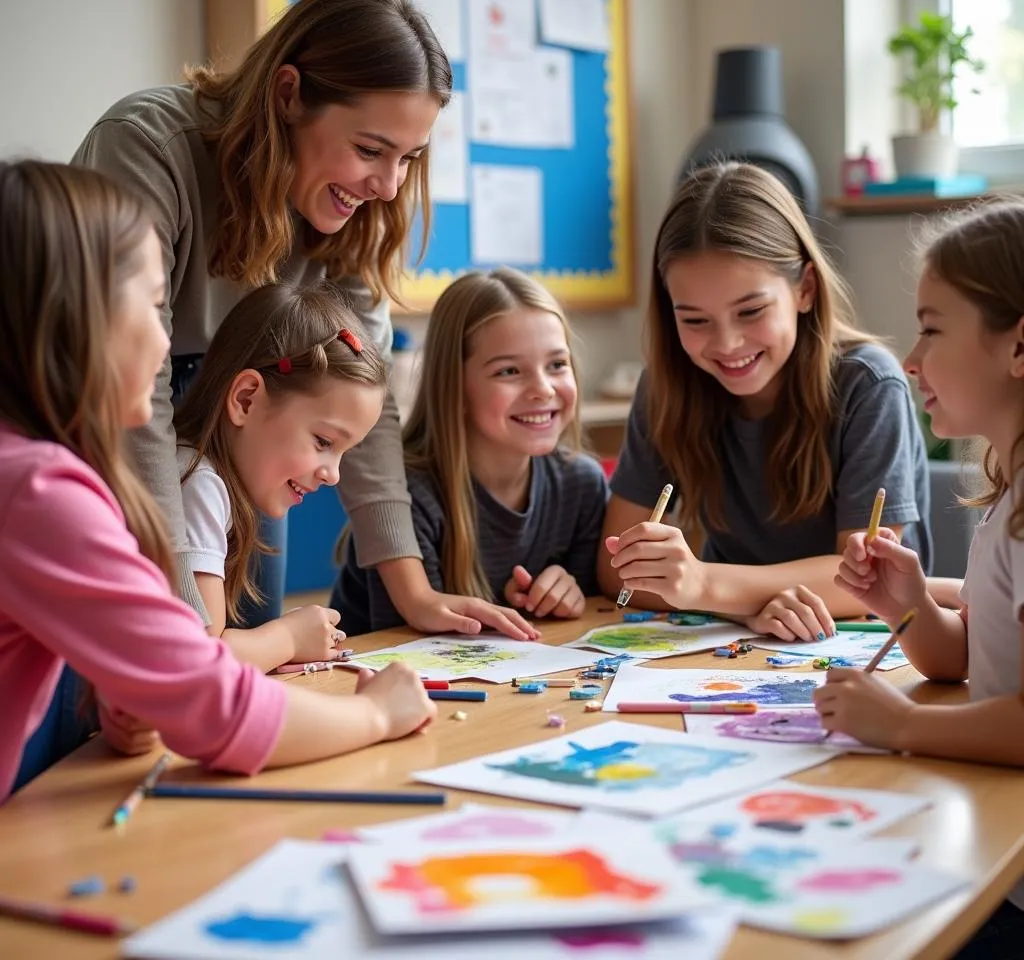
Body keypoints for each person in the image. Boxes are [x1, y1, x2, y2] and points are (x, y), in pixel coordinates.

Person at [0, 159, 435, 802]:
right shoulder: (36, 491)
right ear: (73, 320)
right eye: (155, 306)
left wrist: (143, 696)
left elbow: (170, 682)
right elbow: (218, 706)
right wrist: (379, 715)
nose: (168, 340)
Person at [600, 162, 931, 640]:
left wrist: (704, 584)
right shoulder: (665, 388)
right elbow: (617, 572)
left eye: (751, 311)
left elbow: (866, 578)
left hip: (865, 647)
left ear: (805, 290)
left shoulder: (868, 385)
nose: (727, 343)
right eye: (694, 320)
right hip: (734, 639)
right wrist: (740, 607)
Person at [818, 200, 1024, 959]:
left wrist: (900, 724)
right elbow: (971, 661)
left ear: (1019, 346)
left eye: (932, 328)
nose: (909, 358)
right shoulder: (1010, 495)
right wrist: (908, 609)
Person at [332, 269, 609, 635]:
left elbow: (585, 628)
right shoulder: (406, 501)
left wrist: (566, 596)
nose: (543, 389)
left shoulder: (582, 486)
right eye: (509, 371)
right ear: (455, 387)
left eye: (557, 365)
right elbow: (407, 649)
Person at [175, 283, 387, 672]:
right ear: (246, 399)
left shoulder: (214, 480)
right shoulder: (198, 484)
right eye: (324, 441)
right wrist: (289, 638)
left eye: (344, 452)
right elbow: (200, 659)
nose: (334, 475)